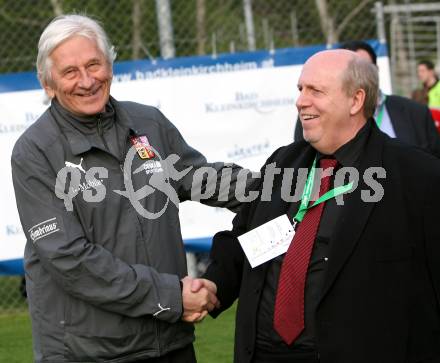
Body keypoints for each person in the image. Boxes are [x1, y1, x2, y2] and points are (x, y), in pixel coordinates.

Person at [11, 14, 244, 363]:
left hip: (168, 341)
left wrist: (274, 188)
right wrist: (172, 296)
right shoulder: (35, 152)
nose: (87, 81)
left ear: (110, 65)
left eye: (95, 64)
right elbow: (71, 259)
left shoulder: (148, 122)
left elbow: (197, 177)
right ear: (47, 83)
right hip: (88, 352)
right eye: (70, 72)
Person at [195, 50, 440, 362]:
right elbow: (245, 239)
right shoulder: (284, 162)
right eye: (300, 89)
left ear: (356, 100)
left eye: (316, 91)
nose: (301, 101)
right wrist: (213, 286)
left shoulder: (415, 174)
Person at [294, 41, 440, 158]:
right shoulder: (312, 118)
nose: (302, 102)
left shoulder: (416, 113)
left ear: (376, 71)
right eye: (350, 71)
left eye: (364, 68)